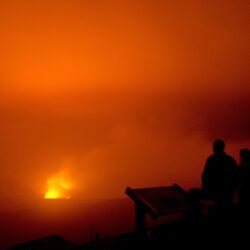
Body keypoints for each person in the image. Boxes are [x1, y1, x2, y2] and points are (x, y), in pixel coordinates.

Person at [201, 139, 238, 206]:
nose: (213, 148)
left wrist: (205, 189)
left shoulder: (211, 159)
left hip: (215, 192)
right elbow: (235, 177)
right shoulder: (230, 160)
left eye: (214, 146)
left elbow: (205, 176)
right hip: (227, 193)